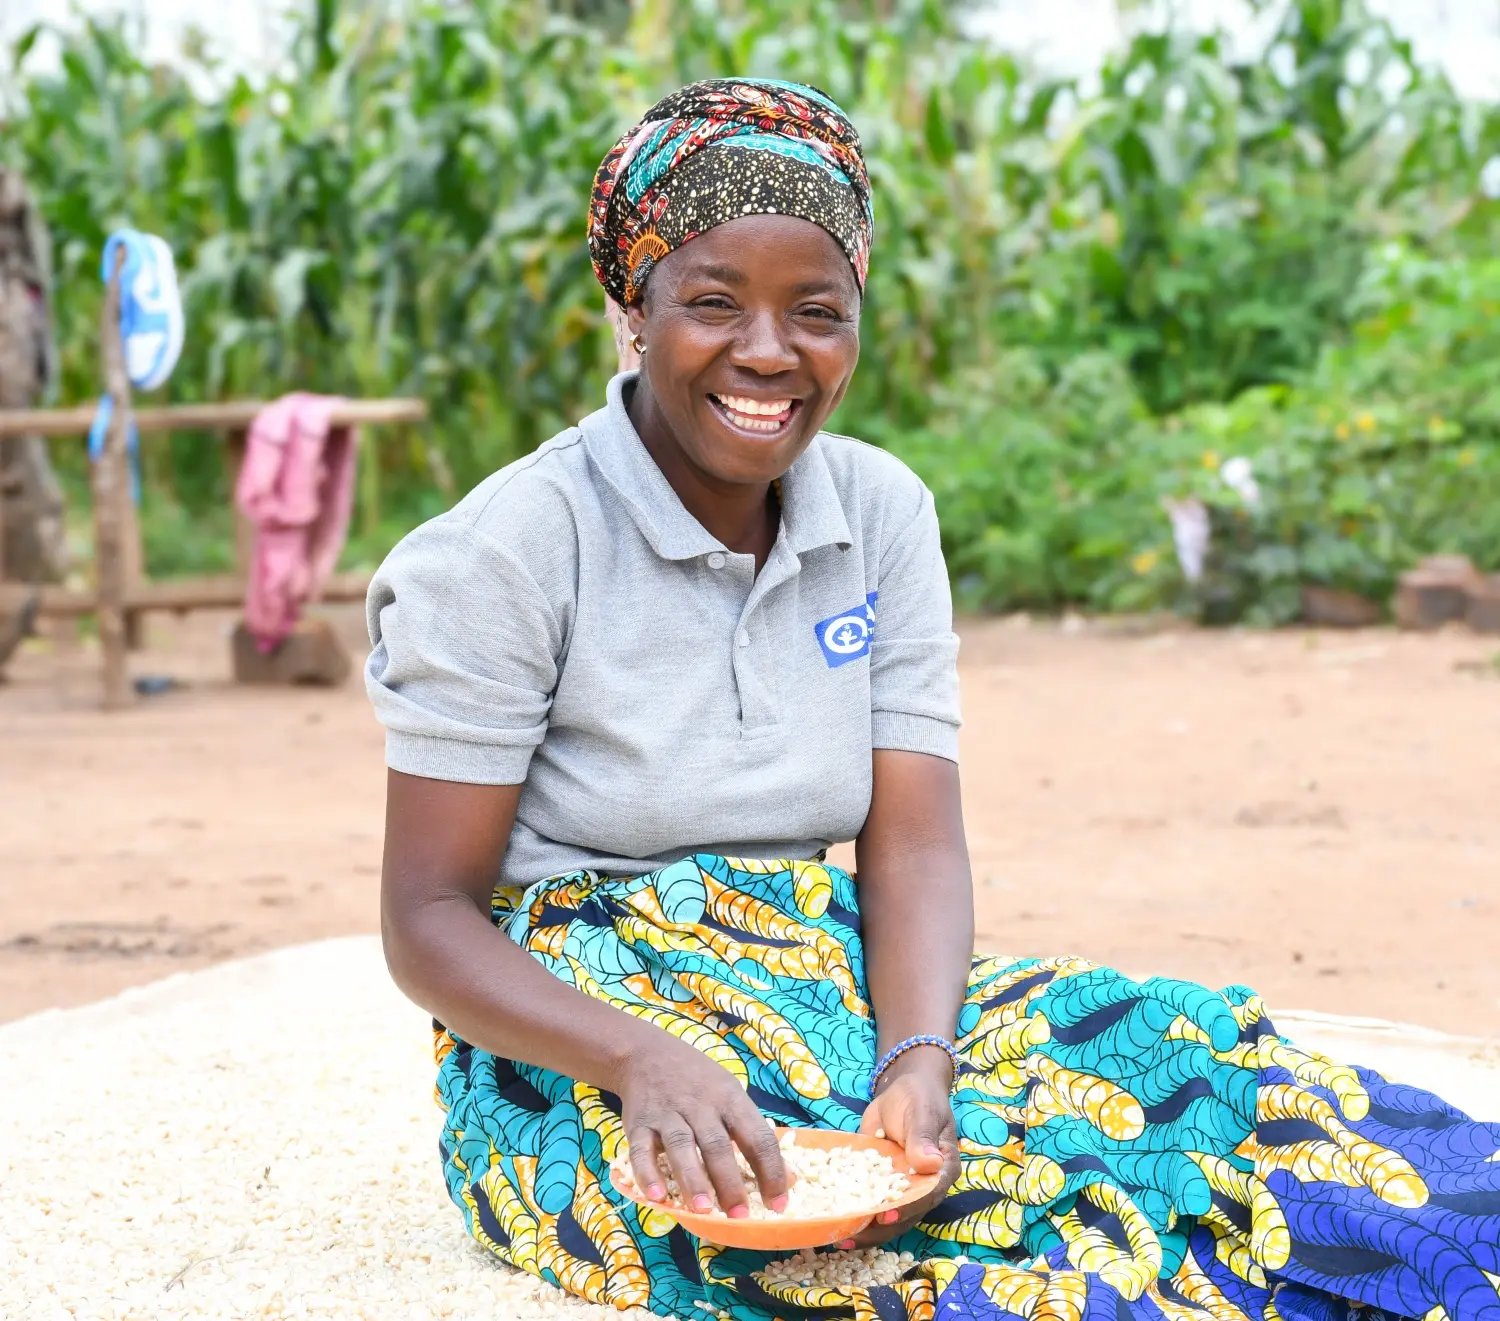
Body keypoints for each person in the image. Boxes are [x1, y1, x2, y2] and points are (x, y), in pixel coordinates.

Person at [366, 79, 1500, 1321]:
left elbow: (908, 839)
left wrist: (919, 1055)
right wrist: (643, 1057)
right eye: (710, 303)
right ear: (629, 313)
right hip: (581, 1036)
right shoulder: (505, 552)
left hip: (829, 967)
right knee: (952, 1231)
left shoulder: (880, 514)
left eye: (817, 312)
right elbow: (429, 915)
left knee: (1202, 1073)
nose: (767, 353)